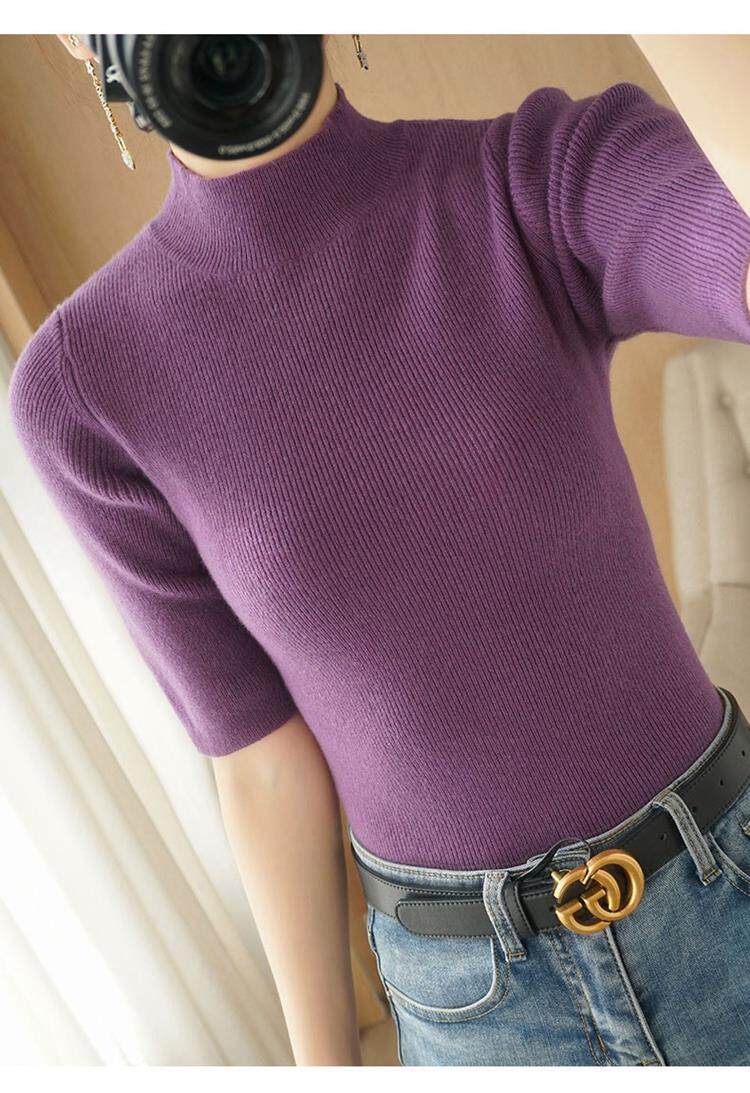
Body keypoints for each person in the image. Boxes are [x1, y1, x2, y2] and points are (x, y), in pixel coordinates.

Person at [8, 34, 750, 1067]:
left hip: (726, 900)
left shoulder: (533, 178)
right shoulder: (85, 388)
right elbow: (259, 758)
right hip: (473, 1009)